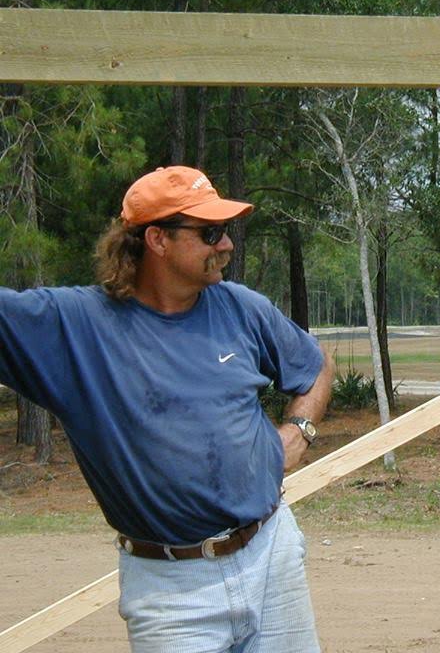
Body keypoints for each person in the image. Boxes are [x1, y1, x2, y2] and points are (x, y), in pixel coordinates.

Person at [0, 165, 333, 652]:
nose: (227, 245)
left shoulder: (240, 307)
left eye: (225, 230)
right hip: (171, 593)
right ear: (157, 239)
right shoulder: (75, 326)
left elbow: (315, 364)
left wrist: (299, 430)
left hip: (270, 555)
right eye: (210, 233)